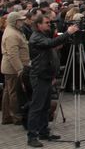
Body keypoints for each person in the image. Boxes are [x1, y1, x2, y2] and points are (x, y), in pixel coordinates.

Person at [27, 13, 79, 147]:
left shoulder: (43, 35)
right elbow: (51, 43)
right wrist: (68, 33)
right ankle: (32, 136)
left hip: (46, 75)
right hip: (39, 76)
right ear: (38, 25)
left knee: (45, 106)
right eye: (46, 23)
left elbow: (52, 45)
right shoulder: (36, 37)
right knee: (37, 107)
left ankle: (43, 131)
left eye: (49, 22)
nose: (49, 24)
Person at [1, 11, 30, 125]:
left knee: (9, 91)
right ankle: (15, 116)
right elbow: (13, 54)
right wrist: (20, 69)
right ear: (15, 21)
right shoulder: (12, 34)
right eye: (20, 20)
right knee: (13, 93)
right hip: (13, 68)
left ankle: (7, 116)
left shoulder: (14, 31)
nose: (22, 22)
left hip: (11, 67)